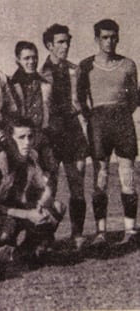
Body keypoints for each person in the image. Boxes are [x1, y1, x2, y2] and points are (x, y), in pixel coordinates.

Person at [78, 19, 139, 245]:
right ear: (97, 39)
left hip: (122, 121)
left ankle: (131, 231)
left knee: (127, 177)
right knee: (100, 177)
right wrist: (93, 118)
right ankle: (101, 232)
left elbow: (134, 98)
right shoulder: (86, 65)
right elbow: (79, 98)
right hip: (99, 123)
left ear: (118, 38)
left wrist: (120, 114)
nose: (109, 41)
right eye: (104, 37)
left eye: (113, 37)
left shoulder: (128, 65)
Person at [0, 116, 66, 264]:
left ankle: (28, 249)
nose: (27, 142)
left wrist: (41, 203)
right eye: (21, 137)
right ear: (10, 139)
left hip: (19, 208)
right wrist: (27, 214)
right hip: (2, 213)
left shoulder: (32, 156)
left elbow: (44, 186)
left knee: (57, 207)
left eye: (30, 137)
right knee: (2, 234)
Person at [40, 24, 89, 250]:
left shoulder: (75, 69)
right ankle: (45, 237)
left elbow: (82, 102)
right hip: (51, 134)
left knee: (77, 184)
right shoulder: (41, 74)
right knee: (49, 188)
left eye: (67, 41)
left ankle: (77, 234)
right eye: (60, 42)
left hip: (73, 132)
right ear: (49, 45)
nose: (65, 45)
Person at [9, 41, 57, 195]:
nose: (31, 62)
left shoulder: (46, 84)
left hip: (43, 140)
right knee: (22, 185)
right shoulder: (10, 84)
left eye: (34, 58)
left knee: (48, 183)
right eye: (26, 58)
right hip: (21, 142)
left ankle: (46, 217)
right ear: (18, 60)